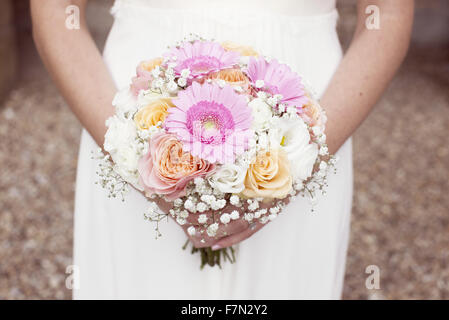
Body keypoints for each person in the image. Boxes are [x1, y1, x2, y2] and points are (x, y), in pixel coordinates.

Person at [31, 0, 414, 299]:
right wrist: (133, 151)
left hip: (309, 111)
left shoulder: (307, 138)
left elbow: (386, 16)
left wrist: (302, 155)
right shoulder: (129, 132)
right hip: (134, 106)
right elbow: (55, 14)